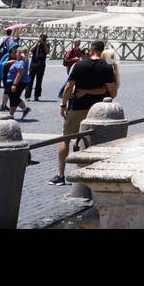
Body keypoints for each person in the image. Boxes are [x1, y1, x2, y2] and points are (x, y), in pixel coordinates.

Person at [50, 40, 117, 186]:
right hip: (97, 109)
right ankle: (95, 174)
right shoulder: (107, 67)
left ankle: (60, 174)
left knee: (66, 138)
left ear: (91, 50)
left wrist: (63, 105)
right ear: (102, 50)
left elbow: (69, 86)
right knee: (96, 139)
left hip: (78, 107)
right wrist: (94, 91)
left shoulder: (79, 65)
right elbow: (110, 91)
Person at [4, 48, 31, 119]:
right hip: (12, 81)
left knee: (13, 97)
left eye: (17, 53)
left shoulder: (22, 62)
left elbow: (19, 74)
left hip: (18, 82)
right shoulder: (19, 61)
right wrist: (11, 62)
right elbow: (16, 62)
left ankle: (11, 115)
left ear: (21, 55)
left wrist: (14, 85)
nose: (16, 54)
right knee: (14, 97)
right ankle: (25, 109)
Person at [27, 34, 49, 101]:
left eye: (44, 39)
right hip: (33, 64)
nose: (42, 40)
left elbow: (47, 52)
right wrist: (37, 42)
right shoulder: (36, 43)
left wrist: (44, 44)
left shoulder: (47, 44)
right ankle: (27, 96)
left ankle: (37, 95)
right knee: (30, 81)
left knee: (39, 81)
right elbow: (31, 50)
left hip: (41, 65)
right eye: (42, 38)